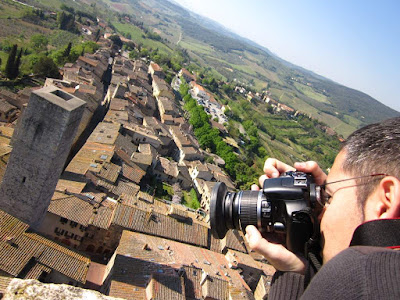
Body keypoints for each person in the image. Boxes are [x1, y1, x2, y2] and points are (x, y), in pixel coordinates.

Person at [245, 116, 400, 299]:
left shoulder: (360, 279)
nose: (320, 215)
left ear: (384, 203)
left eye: (328, 198)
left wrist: (291, 275)